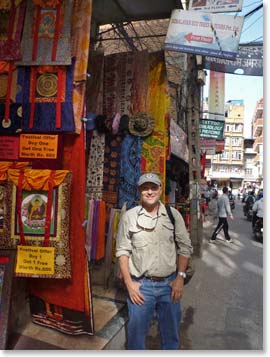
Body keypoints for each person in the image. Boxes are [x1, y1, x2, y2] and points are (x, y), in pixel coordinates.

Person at [115, 173, 193, 350]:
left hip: (170, 285)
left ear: (160, 189)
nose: (149, 192)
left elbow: (185, 248)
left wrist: (180, 278)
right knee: (136, 338)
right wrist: (129, 283)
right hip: (141, 287)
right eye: (145, 188)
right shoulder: (129, 217)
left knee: (171, 336)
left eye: (153, 187)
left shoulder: (173, 215)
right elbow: (122, 251)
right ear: (139, 191)